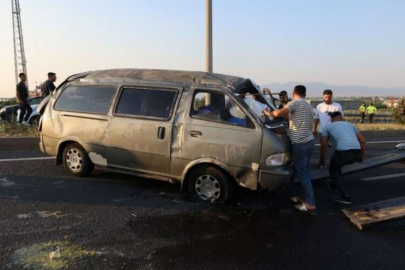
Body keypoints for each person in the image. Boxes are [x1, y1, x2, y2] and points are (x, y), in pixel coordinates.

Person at [263, 85, 315, 211]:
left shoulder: (294, 103)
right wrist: (285, 117)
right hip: (310, 142)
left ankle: (311, 204)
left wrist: (267, 112)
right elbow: (294, 118)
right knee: (306, 173)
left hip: (300, 144)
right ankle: (307, 198)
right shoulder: (308, 105)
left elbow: (276, 114)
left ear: (293, 93)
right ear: (305, 94)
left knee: (302, 174)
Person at [318, 112, 366, 204]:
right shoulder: (351, 125)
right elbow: (363, 142)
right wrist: (360, 157)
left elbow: (323, 145)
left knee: (333, 170)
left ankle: (345, 197)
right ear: (341, 118)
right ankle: (334, 183)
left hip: (343, 153)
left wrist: (322, 160)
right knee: (335, 161)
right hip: (356, 153)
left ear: (332, 119)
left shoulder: (327, 127)